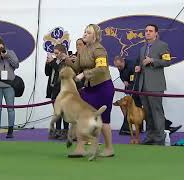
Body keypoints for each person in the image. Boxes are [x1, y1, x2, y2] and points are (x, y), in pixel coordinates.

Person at [65, 24, 115, 157]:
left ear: (95, 36)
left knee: (104, 119)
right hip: (89, 88)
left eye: (88, 32)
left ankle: (109, 149)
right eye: (85, 31)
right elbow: (76, 67)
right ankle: (80, 149)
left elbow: (102, 69)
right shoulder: (82, 49)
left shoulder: (99, 49)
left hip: (103, 87)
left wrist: (84, 74)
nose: (85, 34)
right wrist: (66, 59)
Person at [114, 56, 182, 135]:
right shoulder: (122, 66)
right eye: (117, 66)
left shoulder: (132, 65)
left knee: (151, 108)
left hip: (138, 90)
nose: (118, 68)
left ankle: (164, 126)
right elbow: (123, 75)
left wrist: (132, 90)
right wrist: (124, 80)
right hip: (134, 90)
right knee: (142, 109)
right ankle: (129, 129)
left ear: (123, 61)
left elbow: (136, 79)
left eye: (119, 66)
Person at [135, 24, 172, 145]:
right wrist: (138, 67)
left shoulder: (162, 45)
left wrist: (153, 60)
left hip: (156, 85)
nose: (148, 33)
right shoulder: (142, 48)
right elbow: (142, 64)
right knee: (148, 113)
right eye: (146, 31)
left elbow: (167, 61)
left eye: (150, 31)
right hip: (143, 85)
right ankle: (150, 137)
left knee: (157, 112)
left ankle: (160, 138)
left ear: (156, 33)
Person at [0, 38, 19, 138]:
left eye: (2, 47)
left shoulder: (10, 53)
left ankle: (10, 131)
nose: (0, 49)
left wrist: (7, 55)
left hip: (9, 86)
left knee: (11, 108)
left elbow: (16, 64)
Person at [45, 44, 69, 140]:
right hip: (53, 88)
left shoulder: (66, 61)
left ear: (62, 52)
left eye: (57, 53)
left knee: (64, 111)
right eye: (54, 53)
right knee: (57, 111)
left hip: (62, 89)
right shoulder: (55, 61)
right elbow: (47, 73)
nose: (55, 55)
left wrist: (52, 62)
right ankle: (58, 130)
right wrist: (47, 63)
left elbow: (60, 71)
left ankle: (66, 131)